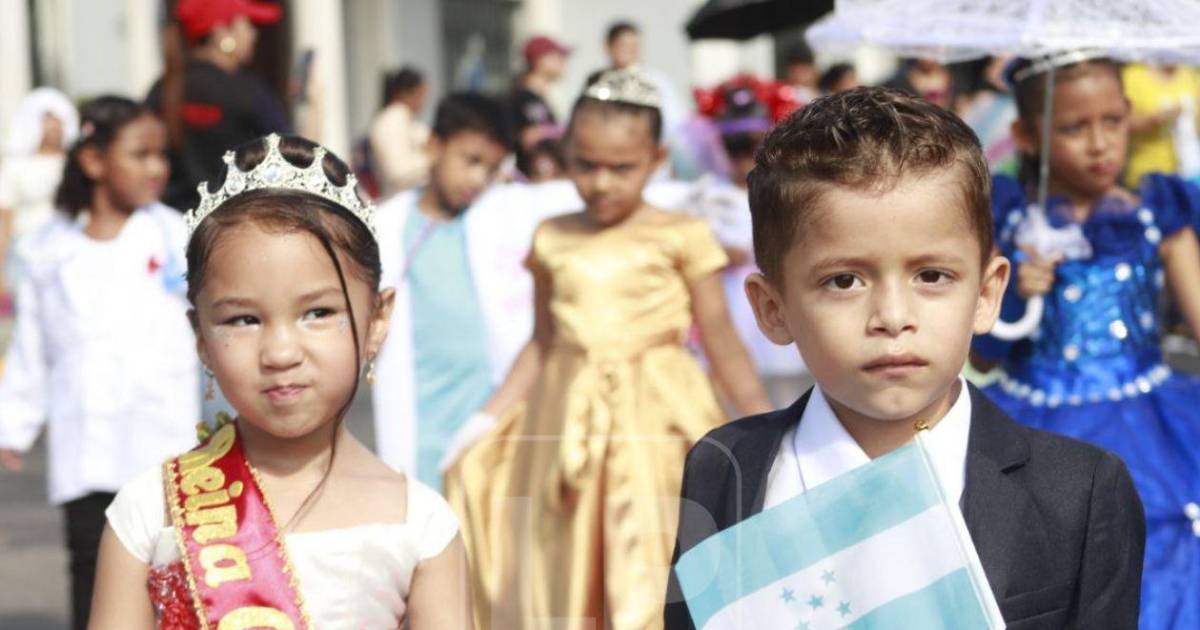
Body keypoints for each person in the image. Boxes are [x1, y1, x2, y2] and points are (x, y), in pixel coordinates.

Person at [665, 87, 1146, 629]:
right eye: (843, 281)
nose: (892, 317)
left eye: (932, 276)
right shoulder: (724, 466)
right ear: (773, 309)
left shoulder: (1077, 491)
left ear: (986, 293)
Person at [87, 134, 473, 629]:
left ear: (378, 319)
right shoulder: (147, 513)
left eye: (318, 313)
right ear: (201, 336)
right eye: (243, 320)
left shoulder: (421, 525)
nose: (281, 353)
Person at [447, 69, 771, 630]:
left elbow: (722, 342)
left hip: (659, 419)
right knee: (566, 563)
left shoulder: (682, 234)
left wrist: (767, 428)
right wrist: (486, 417)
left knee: (655, 556)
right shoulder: (552, 236)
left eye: (621, 168)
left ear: (656, 159)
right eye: (586, 165)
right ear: (567, 156)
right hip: (564, 422)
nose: (601, 183)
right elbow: (542, 343)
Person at [974, 53, 1200, 628]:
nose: (1100, 144)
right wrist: (1016, 290)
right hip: (1037, 428)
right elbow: (981, 353)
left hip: (1153, 431)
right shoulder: (1009, 221)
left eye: (1114, 121)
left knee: (1159, 554)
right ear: (1027, 135)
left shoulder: (1156, 212)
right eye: (1075, 127)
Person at [0, 96, 198, 630]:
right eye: (140, 154)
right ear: (93, 161)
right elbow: (33, 347)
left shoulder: (176, 236)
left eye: (161, 155)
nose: (156, 168)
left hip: (165, 440)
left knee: (173, 574)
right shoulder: (50, 250)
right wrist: (13, 423)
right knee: (92, 569)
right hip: (87, 444)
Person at [371, 93, 524, 488]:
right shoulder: (385, 227)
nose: (478, 179)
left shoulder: (501, 221)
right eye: (471, 160)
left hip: (491, 418)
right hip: (421, 423)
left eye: (491, 168)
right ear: (434, 146)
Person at [146, 0, 290, 212]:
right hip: (236, 219)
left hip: (176, 220)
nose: (253, 34)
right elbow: (289, 159)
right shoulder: (247, 91)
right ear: (221, 32)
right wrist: (314, 106)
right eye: (247, 25)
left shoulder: (162, 89)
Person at [0, 88, 78, 309]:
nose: (53, 127)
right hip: (26, 253)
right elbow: (5, 220)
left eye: (58, 120)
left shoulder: (77, 165)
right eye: (47, 120)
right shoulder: (15, 167)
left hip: (70, 251)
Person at [1122, 63, 1200, 187]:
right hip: (1146, 178)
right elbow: (1122, 122)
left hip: (1188, 175)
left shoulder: (1190, 75)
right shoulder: (1133, 75)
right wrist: (1156, 119)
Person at [511, 35, 570, 178]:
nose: (563, 63)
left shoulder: (538, 97)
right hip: (530, 181)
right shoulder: (524, 98)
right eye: (558, 57)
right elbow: (528, 138)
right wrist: (558, 131)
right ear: (540, 61)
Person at [370, 66, 432, 197]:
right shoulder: (393, 118)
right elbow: (398, 171)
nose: (423, 102)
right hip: (398, 198)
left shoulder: (404, 119)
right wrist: (431, 156)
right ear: (405, 93)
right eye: (420, 95)